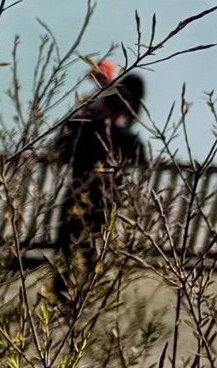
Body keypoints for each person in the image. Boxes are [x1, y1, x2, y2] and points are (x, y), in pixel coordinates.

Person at [51, 61, 146, 303]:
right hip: (99, 195)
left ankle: (71, 290)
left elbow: (59, 144)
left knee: (73, 241)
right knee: (82, 242)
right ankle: (81, 291)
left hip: (88, 192)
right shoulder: (109, 133)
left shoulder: (90, 129)